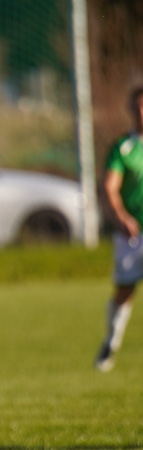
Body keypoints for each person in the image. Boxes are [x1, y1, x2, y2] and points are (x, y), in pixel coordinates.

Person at [94, 86, 143, 372]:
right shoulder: (123, 148)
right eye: (137, 106)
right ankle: (110, 344)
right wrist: (121, 216)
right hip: (133, 234)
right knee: (125, 290)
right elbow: (110, 188)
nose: (141, 111)